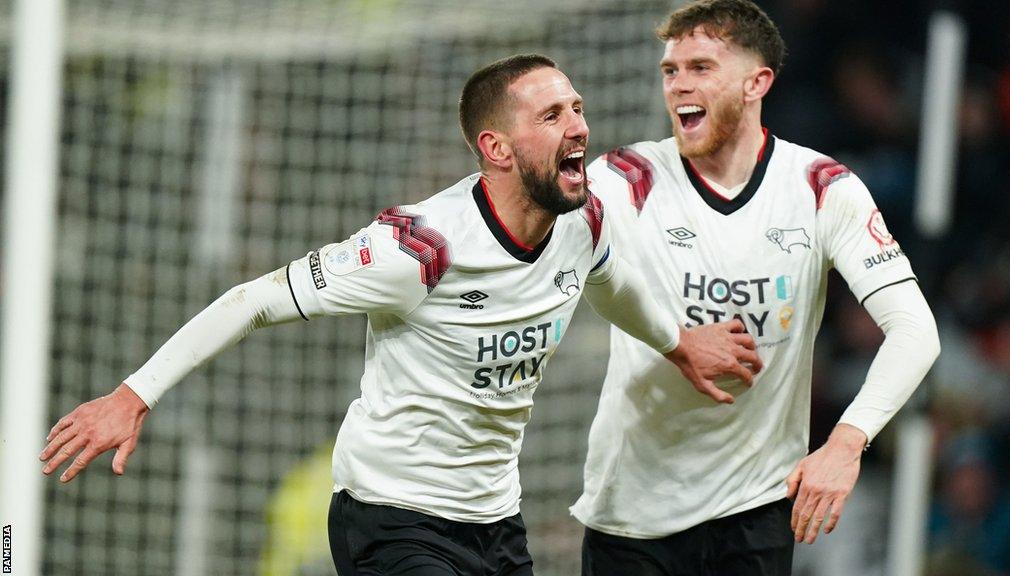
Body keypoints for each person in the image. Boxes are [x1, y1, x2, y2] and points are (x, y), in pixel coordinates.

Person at [39, 54, 760, 576]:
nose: (578, 126)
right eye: (552, 115)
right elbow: (253, 300)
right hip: (395, 520)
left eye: (576, 107)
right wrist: (135, 394)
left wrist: (677, 344)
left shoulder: (584, 220)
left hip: (494, 523)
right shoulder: (418, 249)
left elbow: (610, 282)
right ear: (496, 150)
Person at [570, 2, 941, 574]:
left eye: (700, 68)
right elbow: (585, 266)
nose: (679, 85)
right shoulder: (629, 177)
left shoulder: (822, 189)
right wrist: (677, 341)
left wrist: (846, 443)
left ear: (756, 82)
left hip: (756, 507)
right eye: (671, 70)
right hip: (634, 511)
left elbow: (916, 331)